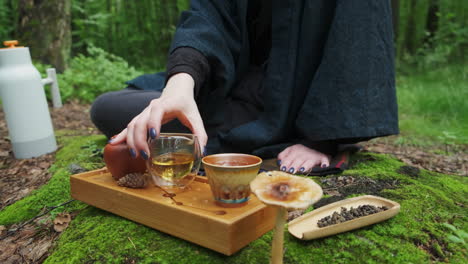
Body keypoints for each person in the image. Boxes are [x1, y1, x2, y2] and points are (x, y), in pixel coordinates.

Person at [91, 0, 398, 175]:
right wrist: (179, 86)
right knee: (109, 107)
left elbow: (361, 35)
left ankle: (311, 133)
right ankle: (186, 120)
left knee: (152, 128)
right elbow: (207, 17)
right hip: (231, 81)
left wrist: (324, 139)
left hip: (293, 98)